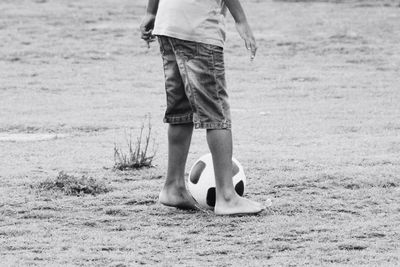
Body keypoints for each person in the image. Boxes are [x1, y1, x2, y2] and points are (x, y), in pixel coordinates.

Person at [140, 0, 264, 215]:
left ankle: (173, 186)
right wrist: (241, 20)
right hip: (197, 27)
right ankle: (227, 196)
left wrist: (151, 12)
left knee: (181, 110)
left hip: (168, 23)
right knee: (216, 112)